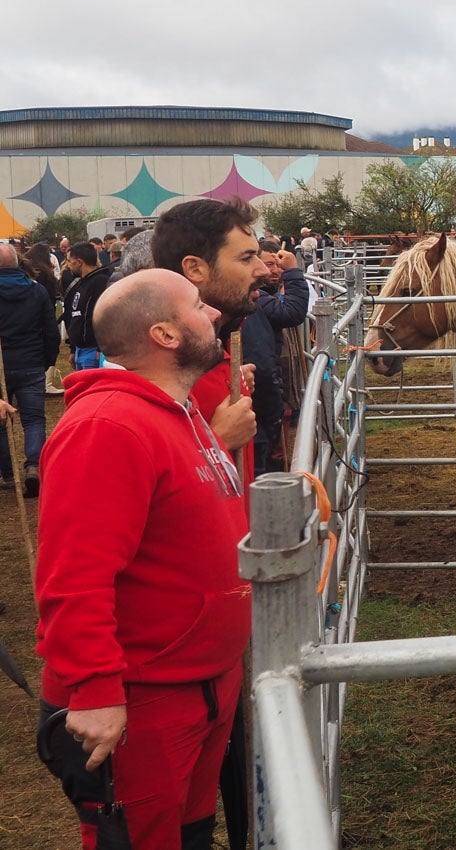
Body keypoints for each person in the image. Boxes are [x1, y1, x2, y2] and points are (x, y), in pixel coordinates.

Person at [34, 269, 250, 850]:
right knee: (139, 836)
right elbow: (73, 575)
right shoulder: (108, 427)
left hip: (197, 683)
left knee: (190, 832)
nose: (213, 316)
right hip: (144, 699)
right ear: (166, 334)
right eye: (199, 307)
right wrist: (96, 690)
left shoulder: (177, 413)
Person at [151, 196, 268, 492]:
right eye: (246, 258)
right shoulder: (154, 363)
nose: (263, 270)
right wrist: (217, 442)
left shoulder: (212, 347)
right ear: (194, 269)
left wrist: (233, 376)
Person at [244, 238, 309, 476]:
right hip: (262, 402)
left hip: (267, 395)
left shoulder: (263, 295)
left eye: (275, 265)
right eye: (267, 264)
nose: (272, 270)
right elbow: (293, 312)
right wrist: (293, 273)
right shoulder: (256, 299)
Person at [0, 242, 60, 494]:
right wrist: (47, 360)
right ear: (18, 263)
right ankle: (33, 466)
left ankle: (8, 472)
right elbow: (50, 330)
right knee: (34, 419)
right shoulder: (37, 291)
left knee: (0, 420)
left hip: (6, 365)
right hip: (31, 364)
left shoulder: (37, 291)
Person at [61, 242, 114, 370]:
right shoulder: (81, 282)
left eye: (69, 261)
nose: (67, 265)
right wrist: (73, 348)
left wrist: (100, 347)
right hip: (80, 348)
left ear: (79, 262)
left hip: (93, 350)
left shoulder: (100, 281)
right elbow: (75, 315)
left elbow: (105, 316)